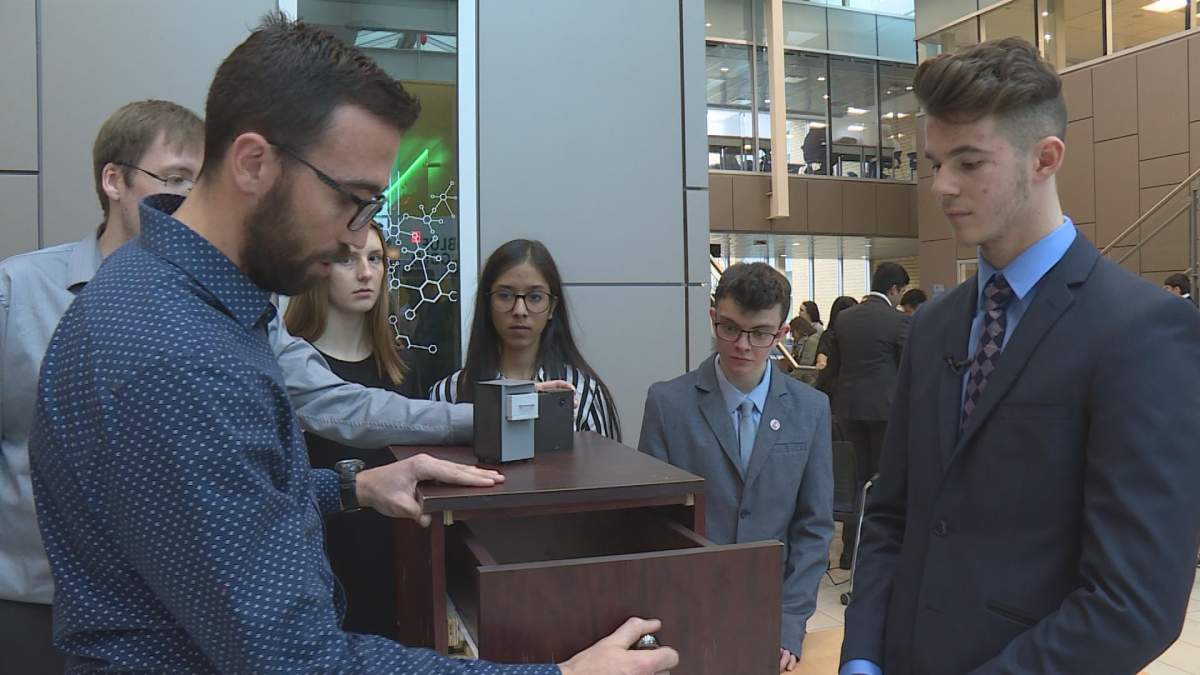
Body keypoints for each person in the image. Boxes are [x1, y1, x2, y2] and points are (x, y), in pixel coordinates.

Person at [28, 15, 676, 674]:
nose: (354, 237)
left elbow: (203, 508)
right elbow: (302, 662)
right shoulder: (179, 353)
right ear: (254, 162)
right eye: (353, 200)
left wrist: (354, 486)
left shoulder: (166, 293)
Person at [840, 38, 1200, 675]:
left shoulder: (1142, 330)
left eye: (970, 162)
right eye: (934, 163)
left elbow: (1135, 601)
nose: (942, 186)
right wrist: (863, 655)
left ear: (1045, 158)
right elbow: (893, 512)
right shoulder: (932, 327)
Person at [638, 262, 833, 673]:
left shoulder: (810, 409)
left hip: (771, 612)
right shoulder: (668, 403)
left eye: (760, 334)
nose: (743, 345)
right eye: (729, 328)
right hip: (686, 610)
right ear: (713, 318)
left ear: (781, 334)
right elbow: (651, 522)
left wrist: (790, 621)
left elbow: (813, 526)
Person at [284, 223, 415, 639]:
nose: (365, 273)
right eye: (348, 259)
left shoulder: (400, 369)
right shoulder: (292, 371)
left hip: (393, 561)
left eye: (375, 259)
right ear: (318, 269)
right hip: (317, 566)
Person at [430, 238, 621, 440]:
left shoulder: (583, 393)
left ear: (552, 308)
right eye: (505, 296)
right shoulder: (448, 393)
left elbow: (603, 469)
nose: (519, 310)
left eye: (535, 297)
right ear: (487, 304)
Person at [822, 263, 910, 570]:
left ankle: (848, 553)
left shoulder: (845, 319)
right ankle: (876, 553)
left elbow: (835, 366)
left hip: (847, 410)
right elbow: (908, 369)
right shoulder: (898, 321)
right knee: (883, 482)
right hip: (886, 413)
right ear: (894, 289)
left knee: (854, 481)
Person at [788, 314, 820, 386]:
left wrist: (788, 378)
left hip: (809, 380)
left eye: (792, 332)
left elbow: (805, 365)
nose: (792, 336)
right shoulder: (801, 342)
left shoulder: (812, 341)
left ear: (799, 330)